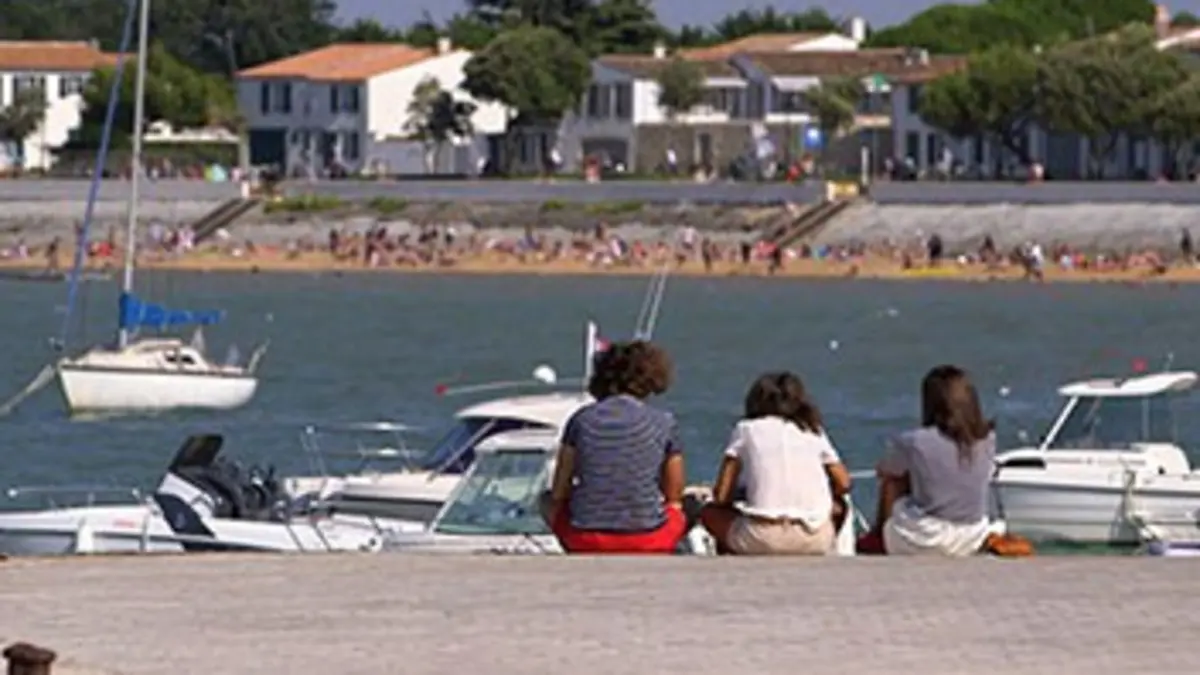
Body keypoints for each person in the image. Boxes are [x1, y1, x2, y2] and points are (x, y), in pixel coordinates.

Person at [542, 340, 687, 554]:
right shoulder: (663, 422)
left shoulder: (582, 420)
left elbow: (559, 490)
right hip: (650, 539)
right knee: (683, 508)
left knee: (546, 501)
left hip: (586, 539)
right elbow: (674, 493)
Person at [700, 372, 851, 555]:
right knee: (840, 505)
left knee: (710, 513)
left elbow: (722, 495)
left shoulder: (745, 429)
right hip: (815, 537)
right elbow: (844, 483)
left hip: (763, 537)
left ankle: (734, 558)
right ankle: (828, 546)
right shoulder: (813, 430)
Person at [867, 365, 995, 556]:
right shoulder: (987, 439)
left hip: (929, 538)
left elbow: (888, 472)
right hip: (973, 535)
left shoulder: (913, 441)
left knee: (894, 481)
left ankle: (877, 537)